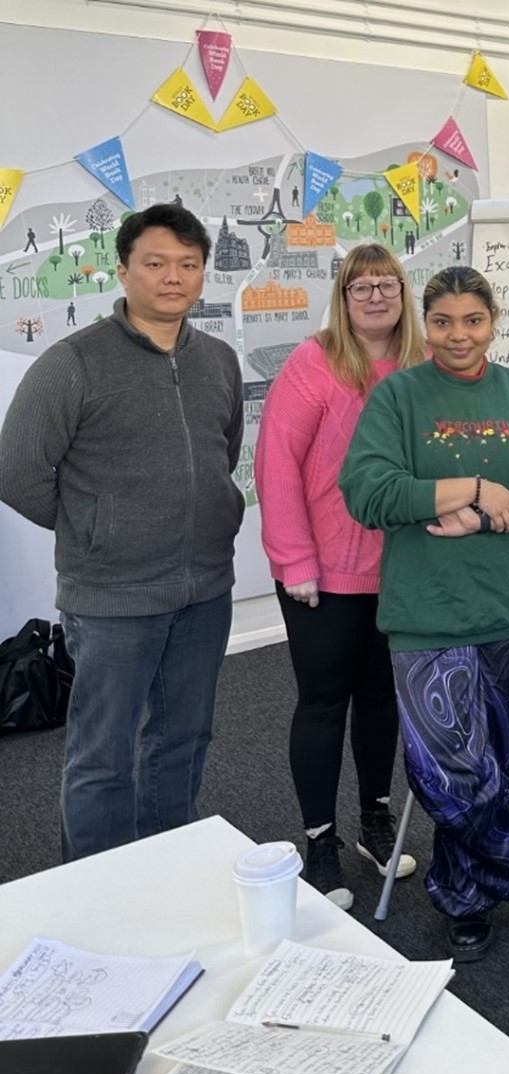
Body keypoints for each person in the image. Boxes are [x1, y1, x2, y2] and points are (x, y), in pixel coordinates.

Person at [339, 266, 509, 961]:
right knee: (452, 776)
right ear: (427, 324)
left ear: (492, 321)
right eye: (442, 321)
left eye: (471, 320)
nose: (457, 336)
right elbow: (367, 490)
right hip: (428, 616)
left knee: (502, 763)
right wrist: (470, 484)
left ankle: (467, 892)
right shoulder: (398, 397)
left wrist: (480, 517)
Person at [0, 202, 244, 862]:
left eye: (188, 265)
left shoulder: (219, 360)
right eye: (156, 263)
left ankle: (166, 868)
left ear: (201, 274)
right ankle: (97, 893)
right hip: (112, 600)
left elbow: (222, 450)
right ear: (123, 270)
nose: (173, 277)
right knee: (101, 756)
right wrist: (98, 526)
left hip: (203, 591)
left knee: (183, 740)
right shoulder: (72, 363)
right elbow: (17, 470)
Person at [254, 245, 424, 910]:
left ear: (402, 295)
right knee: (324, 703)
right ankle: (319, 843)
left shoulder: (418, 364)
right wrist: (293, 561)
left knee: (383, 700)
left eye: (386, 286)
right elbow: (275, 466)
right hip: (321, 573)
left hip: (401, 569)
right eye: (362, 287)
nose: (375, 297)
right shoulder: (313, 362)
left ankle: (374, 823)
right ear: (344, 297)